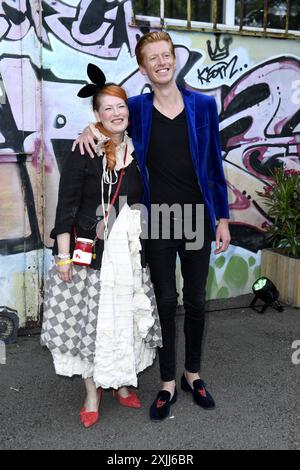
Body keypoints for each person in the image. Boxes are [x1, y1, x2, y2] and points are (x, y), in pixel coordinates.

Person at [72, 32, 231, 421]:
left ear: (174, 60)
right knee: (163, 302)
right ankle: (166, 383)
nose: (161, 62)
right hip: (156, 219)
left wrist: (222, 218)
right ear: (143, 69)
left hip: (195, 217)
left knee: (194, 300)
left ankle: (192, 373)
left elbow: (213, 164)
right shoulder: (138, 108)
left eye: (166, 55)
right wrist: (89, 130)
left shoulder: (203, 106)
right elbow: (111, 123)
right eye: (152, 58)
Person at [41, 64, 162, 428]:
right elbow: (66, 208)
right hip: (89, 259)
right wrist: (63, 257)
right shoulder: (84, 151)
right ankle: (93, 392)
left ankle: (122, 383)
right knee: (91, 327)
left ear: (129, 111)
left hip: (128, 259)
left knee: (123, 323)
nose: (116, 113)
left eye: (120, 106)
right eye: (107, 108)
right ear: (96, 114)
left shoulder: (137, 151)